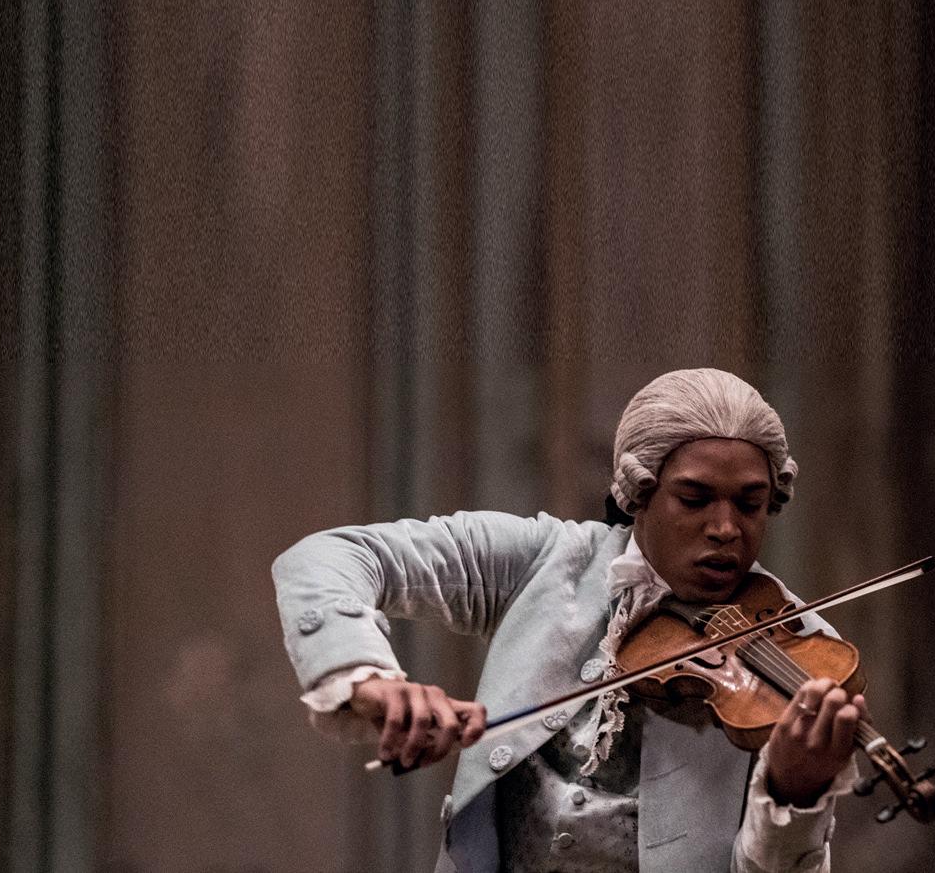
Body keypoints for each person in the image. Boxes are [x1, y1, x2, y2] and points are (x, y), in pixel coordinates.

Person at [272, 369, 863, 872]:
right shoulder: (544, 562)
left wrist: (794, 797)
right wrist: (369, 679)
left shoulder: (801, 655)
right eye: (694, 499)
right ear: (639, 491)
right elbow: (331, 557)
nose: (726, 529)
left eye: (750, 504)